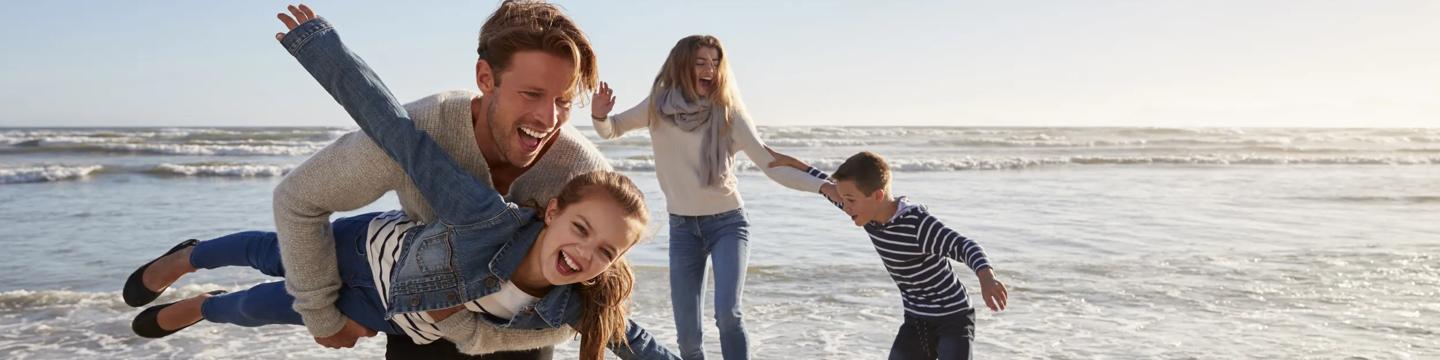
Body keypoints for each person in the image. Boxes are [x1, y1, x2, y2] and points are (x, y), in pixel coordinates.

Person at [125, 8, 679, 359]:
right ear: (485, 79)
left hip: (413, 316)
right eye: (531, 94)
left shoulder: (580, 179)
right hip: (377, 257)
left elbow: (618, 319)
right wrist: (321, 47)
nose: (548, 118)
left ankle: (204, 308)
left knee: (260, 308)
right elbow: (317, 185)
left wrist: (465, 330)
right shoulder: (460, 174)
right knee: (276, 258)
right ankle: (192, 256)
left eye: (563, 101)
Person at [587, 35, 828, 359]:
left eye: (715, 63)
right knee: (688, 337)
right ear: (684, 65)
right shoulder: (658, 106)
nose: (710, 70)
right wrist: (600, 116)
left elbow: (770, 165)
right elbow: (611, 130)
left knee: (728, 314)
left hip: (728, 224)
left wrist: (824, 186)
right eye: (701, 62)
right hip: (683, 229)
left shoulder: (729, 114)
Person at [766, 150, 1010, 360]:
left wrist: (986, 278)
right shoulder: (865, 211)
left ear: (878, 195)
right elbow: (826, 185)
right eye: (844, 199)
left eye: (850, 199)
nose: (845, 205)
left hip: (953, 319)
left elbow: (965, 246)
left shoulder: (918, 225)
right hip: (916, 320)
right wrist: (794, 164)